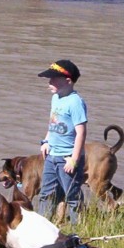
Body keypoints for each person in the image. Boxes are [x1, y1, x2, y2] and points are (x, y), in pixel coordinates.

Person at [37, 59, 87, 225]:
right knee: (46, 194)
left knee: (72, 196)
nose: (49, 82)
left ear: (68, 81)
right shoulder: (56, 98)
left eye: (53, 79)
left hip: (67, 158)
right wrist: (46, 141)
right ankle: (43, 228)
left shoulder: (75, 102)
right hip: (52, 155)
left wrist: (74, 159)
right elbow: (53, 124)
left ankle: (78, 228)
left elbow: (81, 133)